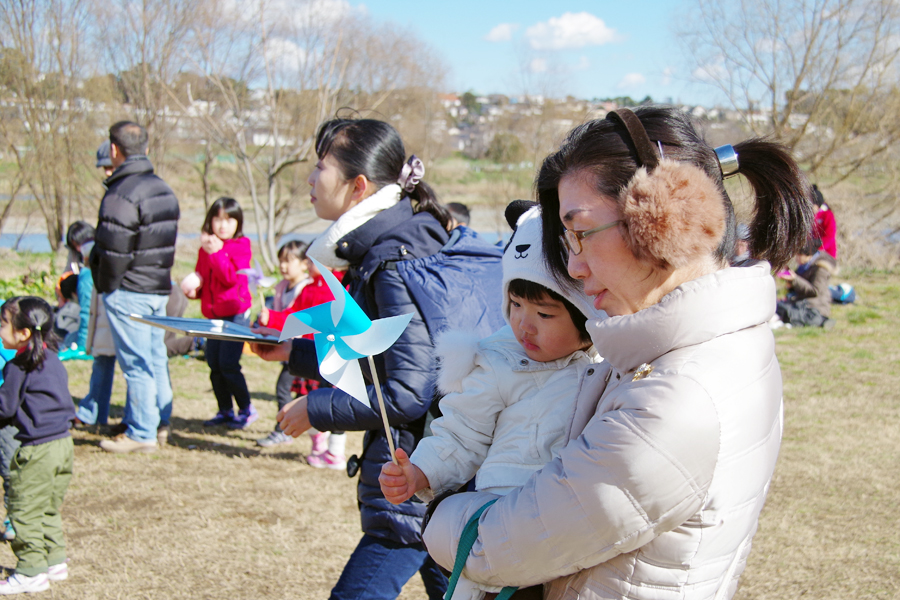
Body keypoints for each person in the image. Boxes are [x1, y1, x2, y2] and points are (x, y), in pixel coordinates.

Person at [419, 106, 815, 600]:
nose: (575, 267)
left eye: (580, 232)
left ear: (663, 216)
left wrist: (443, 514)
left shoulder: (678, 397)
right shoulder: (713, 345)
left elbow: (502, 546)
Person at [252, 117, 499, 600]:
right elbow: (383, 353)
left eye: (320, 166)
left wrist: (315, 408)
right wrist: (293, 352)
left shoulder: (393, 261)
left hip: (416, 475)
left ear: (357, 185)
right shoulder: (407, 238)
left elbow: (407, 393)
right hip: (436, 475)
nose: (309, 179)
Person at [380, 205, 600, 600]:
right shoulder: (498, 360)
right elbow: (461, 434)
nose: (523, 324)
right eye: (515, 305)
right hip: (507, 519)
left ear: (587, 321)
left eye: (544, 314)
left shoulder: (608, 364)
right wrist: (421, 472)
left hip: (573, 525)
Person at [91, 121, 179, 454]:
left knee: (136, 362)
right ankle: (157, 422)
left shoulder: (121, 192)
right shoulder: (162, 188)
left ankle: (142, 431)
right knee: (155, 358)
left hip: (129, 290)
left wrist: (107, 287)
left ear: (114, 149)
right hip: (158, 288)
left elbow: (113, 251)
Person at [0, 297, 75, 594]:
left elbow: (5, 407)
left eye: (3, 324)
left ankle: (31, 570)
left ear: (23, 334)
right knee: (47, 506)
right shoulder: (52, 356)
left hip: (38, 449)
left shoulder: (18, 366)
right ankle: (54, 560)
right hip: (63, 444)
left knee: (24, 508)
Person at [255, 240, 348, 466]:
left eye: (312, 259)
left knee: (333, 404)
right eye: (307, 259)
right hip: (308, 356)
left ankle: (336, 453)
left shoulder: (339, 286)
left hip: (331, 356)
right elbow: (295, 315)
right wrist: (272, 320)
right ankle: (319, 448)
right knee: (311, 403)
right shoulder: (308, 288)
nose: (307, 263)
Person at [182, 197, 256, 429]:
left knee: (228, 363)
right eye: (218, 219)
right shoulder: (207, 247)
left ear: (238, 222)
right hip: (213, 315)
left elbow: (230, 279)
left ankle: (246, 409)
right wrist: (194, 291)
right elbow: (203, 278)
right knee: (213, 363)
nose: (223, 225)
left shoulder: (241, 245)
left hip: (236, 313)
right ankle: (225, 410)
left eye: (229, 219)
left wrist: (217, 253)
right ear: (210, 220)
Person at [774, 237, 837, 329]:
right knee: (774, 306)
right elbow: (800, 285)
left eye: (799, 255)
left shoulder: (820, 269)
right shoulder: (805, 266)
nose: (797, 258)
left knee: (782, 310)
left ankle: (821, 321)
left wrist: (795, 279)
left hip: (813, 308)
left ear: (808, 255)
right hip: (800, 304)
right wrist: (790, 281)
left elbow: (815, 291)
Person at [812, 184, 837, 258]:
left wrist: (815, 247)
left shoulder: (828, 215)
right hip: (810, 254)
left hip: (827, 254)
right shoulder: (811, 216)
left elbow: (829, 237)